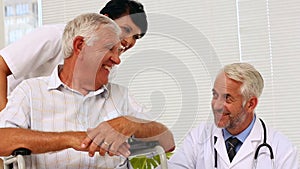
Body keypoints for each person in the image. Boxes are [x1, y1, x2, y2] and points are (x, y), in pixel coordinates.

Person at [0, 13, 175, 169]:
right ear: (79, 46)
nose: (117, 60)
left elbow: (168, 141)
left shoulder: (120, 95)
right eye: (109, 48)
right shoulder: (31, 91)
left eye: (118, 51)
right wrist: (69, 139)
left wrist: (130, 124)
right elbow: (3, 138)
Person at [0, 0, 148, 111]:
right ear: (106, 19)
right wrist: (5, 120)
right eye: (126, 30)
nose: (129, 41)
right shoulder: (55, 36)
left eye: (136, 37)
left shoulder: (109, 65)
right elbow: (1, 66)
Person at [160, 63, 298, 169]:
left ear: (250, 104)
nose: (217, 106)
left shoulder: (282, 150)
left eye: (227, 98)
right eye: (215, 95)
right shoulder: (199, 138)